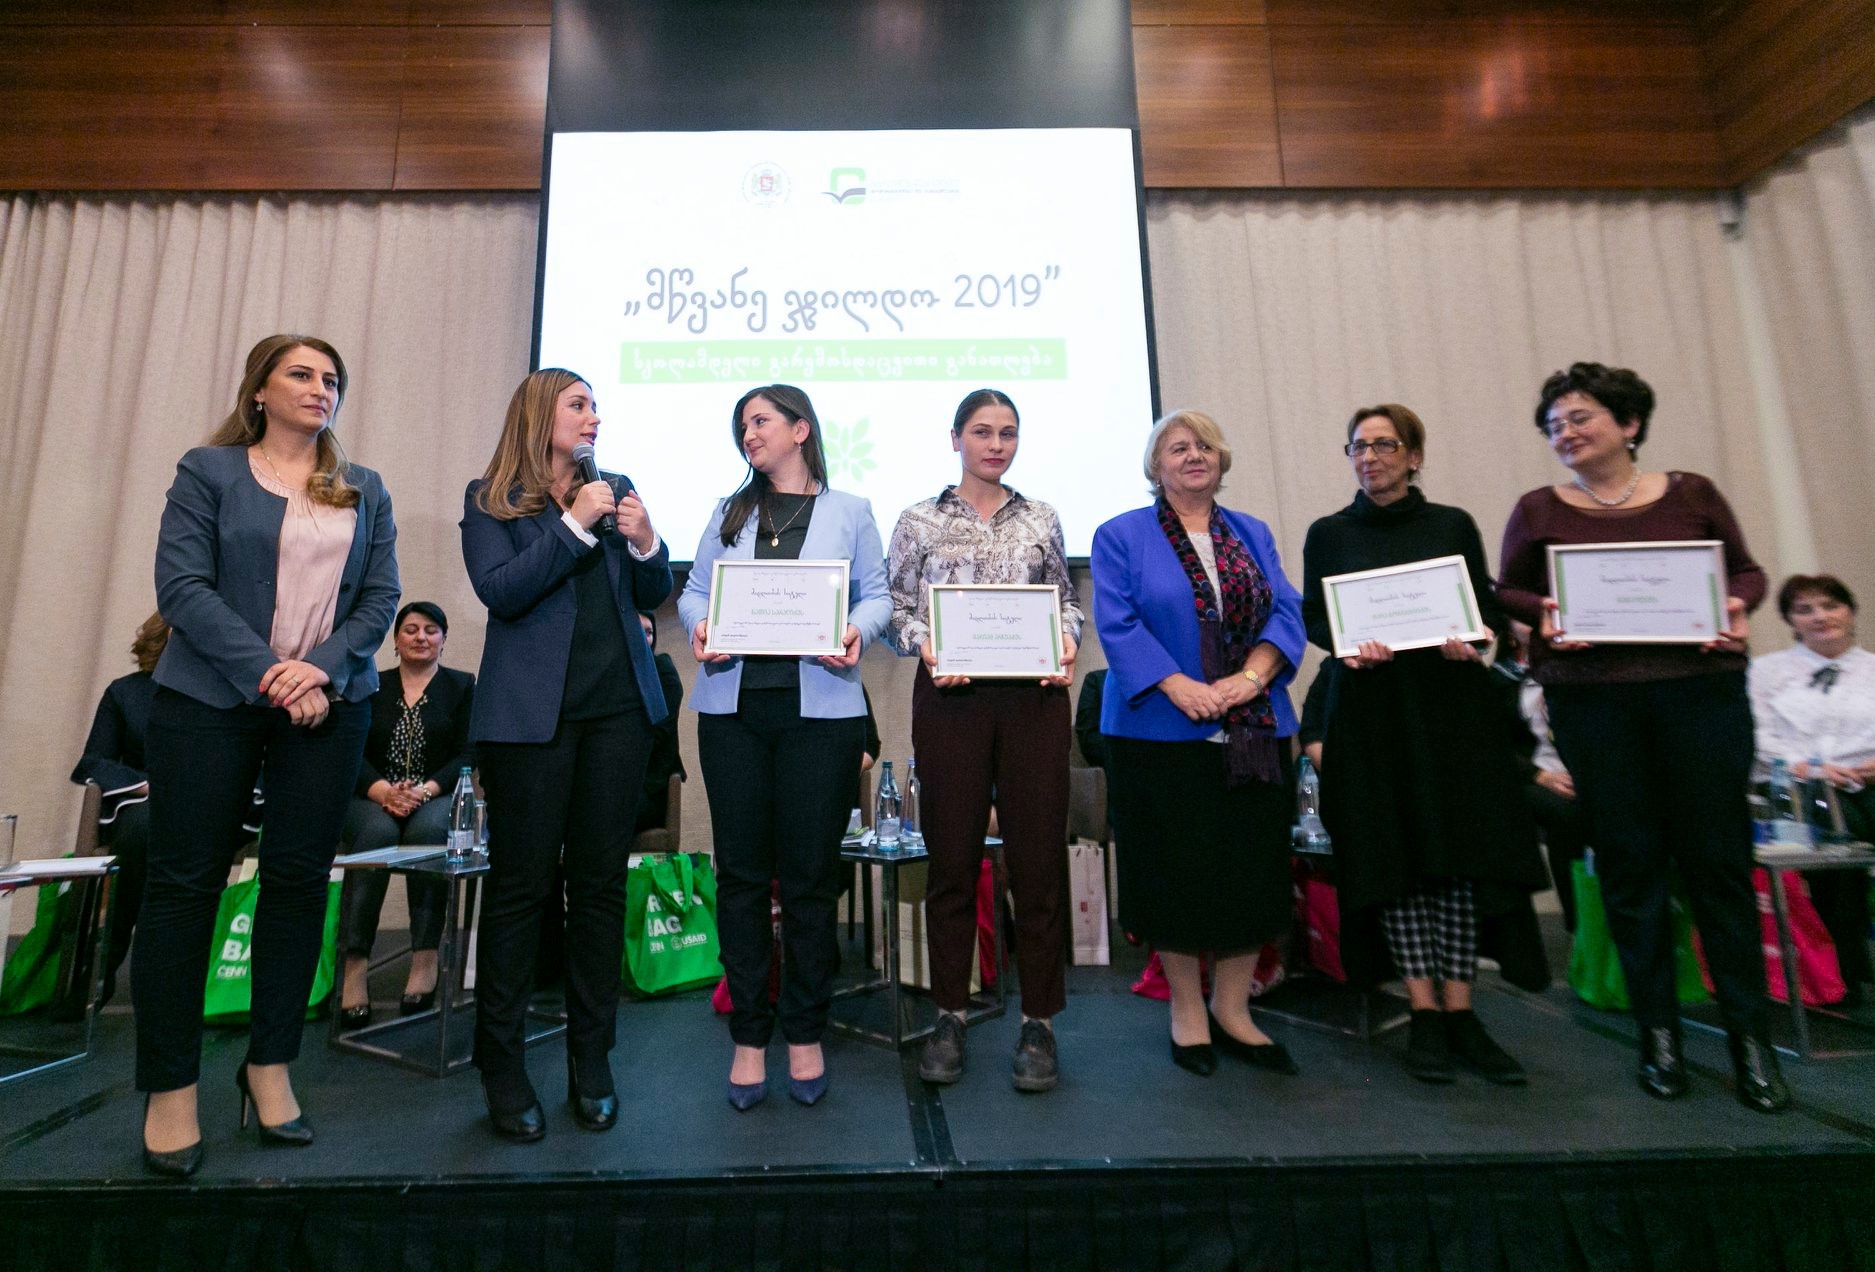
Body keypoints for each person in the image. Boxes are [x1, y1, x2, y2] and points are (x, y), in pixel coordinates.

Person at [135, 334, 398, 1177]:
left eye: (332, 379)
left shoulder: (365, 488)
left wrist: (317, 670)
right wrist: (272, 674)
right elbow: (183, 589)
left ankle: (270, 1065)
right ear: (259, 390)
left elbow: (380, 599)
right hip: (209, 700)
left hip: (329, 704)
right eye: (302, 374)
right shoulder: (207, 471)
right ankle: (170, 1087)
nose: (321, 389)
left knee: (297, 884)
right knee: (184, 887)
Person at [1497, 361, 1788, 1113]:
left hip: (1700, 699)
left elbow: (1747, 573)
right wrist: (1546, 613)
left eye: (1580, 417)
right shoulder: (1536, 508)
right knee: (1630, 869)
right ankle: (1657, 1034)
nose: (1565, 432)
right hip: (1594, 706)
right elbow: (1508, 591)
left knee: (1719, 867)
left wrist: (1733, 605)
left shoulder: (1692, 493)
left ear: (1628, 424)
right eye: (1554, 425)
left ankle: (1750, 1041)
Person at [1302, 404, 1549, 1085]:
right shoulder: (1329, 533)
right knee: (1398, 862)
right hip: (1372, 716)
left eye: (1384, 445)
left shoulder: (1451, 525)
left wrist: (1472, 638)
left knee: (1456, 861)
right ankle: (1424, 1014)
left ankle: (1462, 1011)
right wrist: (1349, 645)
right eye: (1358, 446)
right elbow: (1317, 616)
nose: (1370, 457)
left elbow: (1483, 609)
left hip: (1450, 716)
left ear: (1413, 456)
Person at [461, 368, 672, 1142]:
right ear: (539, 413)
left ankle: (592, 1059)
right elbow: (502, 591)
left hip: (617, 715)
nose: (594, 418)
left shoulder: (614, 488)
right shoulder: (489, 499)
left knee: (599, 890)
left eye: (595, 407)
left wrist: (647, 544)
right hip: (530, 723)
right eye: (579, 405)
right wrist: (575, 527)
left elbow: (648, 591)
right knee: (520, 892)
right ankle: (502, 1066)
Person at [678, 384, 889, 1110]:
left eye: (761, 420)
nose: (749, 433)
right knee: (740, 878)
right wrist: (699, 625)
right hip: (732, 712)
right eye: (742, 425)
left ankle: (804, 1032)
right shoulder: (728, 511)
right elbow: (694, 592)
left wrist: (857, 628)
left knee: (809, 880)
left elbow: (878, 594)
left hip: (821, 715)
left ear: (801, 429)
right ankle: (748, 1037)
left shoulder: (850, 510)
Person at [1090, 409, 1305, 1078]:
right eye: (1178, 447)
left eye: (1205, 445)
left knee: (1250, 873)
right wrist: (1178, 686)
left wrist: (1250, 679)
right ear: (1155, 466)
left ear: (1222, 459)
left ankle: (1233, 1010)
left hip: (1253, 725)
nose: (1193, 455)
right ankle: (1187, 1012)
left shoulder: (1253, 532)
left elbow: (1285, 612)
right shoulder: (1120, 534)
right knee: (1174, 873)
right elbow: (1117, 621)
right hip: (1158, 730)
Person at [886, 388, 1083, 1092]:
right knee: (951, 862)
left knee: (1036, 866)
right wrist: (925, 645)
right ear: (955, 439)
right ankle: (949, 1014)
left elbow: (1066, 603)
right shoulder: (917, 520)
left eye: (1007, 433)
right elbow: (896, 611)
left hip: (1034, 702)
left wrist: (1066, 640)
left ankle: (1039, 1022)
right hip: (951, 700)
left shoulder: (1042, 517)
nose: (996, 445)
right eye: (981, 432)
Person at [333, 601, 475, 1029]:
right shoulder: (370, 684)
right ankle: (355, 964)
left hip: (435, 796)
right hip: (371, 797)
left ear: (444, 640)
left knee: (429, 831)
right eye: (411, 629)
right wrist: (382, 791)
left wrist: (425, 790)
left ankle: (425, 958)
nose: (421, 637)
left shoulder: (462, 686)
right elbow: (349, 747)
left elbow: (469, 752)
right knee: (376, 834)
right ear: (395, 640)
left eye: (431, 630)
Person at [1750, 573, 1875, 999]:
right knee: (1833, 825)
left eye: (1831, 606)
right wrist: (1809, 768)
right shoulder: (1765, 672)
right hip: (1794, 786)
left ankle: (1847, 964)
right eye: (1805, 610)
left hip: (1866, 781)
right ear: (1791, 621)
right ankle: (1842, 967)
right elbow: (1758, 738)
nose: (1820, 617)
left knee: (1849, 821)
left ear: (1851, 612)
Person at [634, 611, 686, 836]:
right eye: (637, 631)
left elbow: (657, 734)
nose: (645, 639)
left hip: (649, 787)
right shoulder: (611, 676)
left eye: (649, 632)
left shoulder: (662, 669)